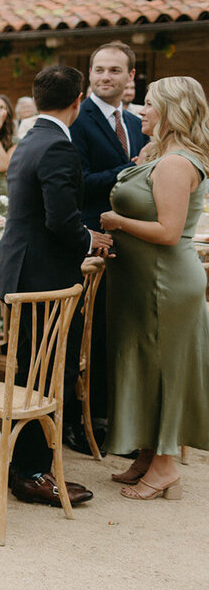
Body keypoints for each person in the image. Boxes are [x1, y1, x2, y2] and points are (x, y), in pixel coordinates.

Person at [0, 64, 111, 507]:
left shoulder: (30, 138)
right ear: (78, 100)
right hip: (42, 278)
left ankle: (23, 466)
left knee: (30, 370)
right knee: (44, 374)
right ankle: (32, 473)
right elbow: (61, 219)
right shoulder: (59, 146)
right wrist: (89, 239)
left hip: (23, 270)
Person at [99, 76, 209, 500]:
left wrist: (116, 221)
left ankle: (165, 468)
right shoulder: (158, 155)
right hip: (141, 281)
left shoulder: (176, 164)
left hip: (166, 282)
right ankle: (146, 454)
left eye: (148, 103)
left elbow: (168, 231)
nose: (140, 109)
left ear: (171, 110)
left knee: (164, 369)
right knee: (144, 365)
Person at [69, 41, 148, 453]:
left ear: (130, 77)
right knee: (92, 335)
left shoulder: (136, 125)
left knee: (121, 333)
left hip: (133, 244)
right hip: (92, 243)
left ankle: (119, 417)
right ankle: (87, 423)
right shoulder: (78, 120)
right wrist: (129, 170)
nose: (104, 77)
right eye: (98, 69)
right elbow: (79, 184)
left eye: (114, 70)